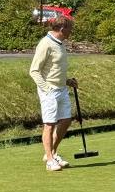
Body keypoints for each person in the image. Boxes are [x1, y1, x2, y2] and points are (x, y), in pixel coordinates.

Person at [29, 16, 78, 171]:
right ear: (62, 29)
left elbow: (54, 69)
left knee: (66, 120)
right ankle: (50, 161)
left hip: (61, 88)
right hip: (49, 90)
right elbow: (34, 71)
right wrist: (46, 88)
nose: (71, 32)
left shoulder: (60, 44)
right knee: (49, 125)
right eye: (70, 29)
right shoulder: (45, 44)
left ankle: (52, 153)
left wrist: (67, 81)